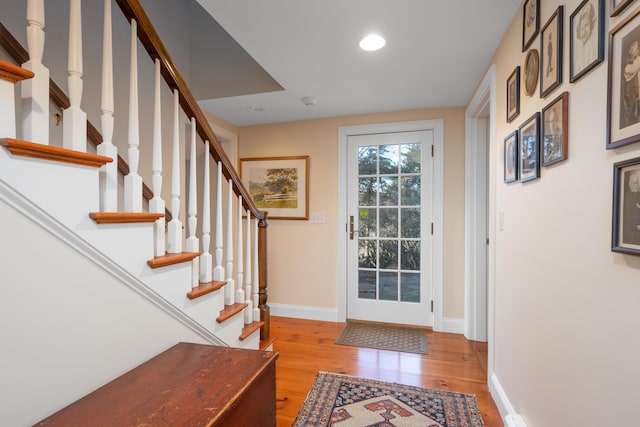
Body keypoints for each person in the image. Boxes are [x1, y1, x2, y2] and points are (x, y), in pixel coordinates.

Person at [622, 40, 640, 128]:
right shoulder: (634, 60)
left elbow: (631, 70)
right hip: (634, 90)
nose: (637, 50)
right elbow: (628, 71)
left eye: (636, 48)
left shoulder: (638, 60)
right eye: (635, 49)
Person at [574, 2, 597, 72]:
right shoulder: (581, 49)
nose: (583, 32)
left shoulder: (592, 43)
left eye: (587, 25)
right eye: (582, 29)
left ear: (592, 23)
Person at [622, 169, 640, 246]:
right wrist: (636, 227)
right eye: (635, 183)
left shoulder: (639, 194)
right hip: (632, 233)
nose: (637, 185)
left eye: (638, 183)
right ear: (630, 184)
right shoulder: (626, 197)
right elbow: (627, 217)